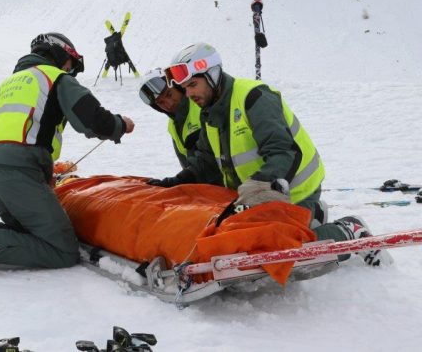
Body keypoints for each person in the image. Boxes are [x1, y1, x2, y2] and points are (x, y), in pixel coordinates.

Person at [148, 42, 390, 265]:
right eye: (185, 88)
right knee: (239, 242)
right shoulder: (209, 113)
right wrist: (173, 184)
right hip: (256, 197)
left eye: (193, 85)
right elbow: (205, 162)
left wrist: (261, 184)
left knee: (281, 251)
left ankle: (348, 231)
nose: (189, 95)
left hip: (294, 186)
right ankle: (311, 216)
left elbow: (283, 151)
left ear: (211, 76)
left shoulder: (253, 97)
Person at [0, 32, 135, 279]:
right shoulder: (55, 78)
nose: (71, 71)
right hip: (19, 174)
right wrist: (121, 125)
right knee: (63, 249)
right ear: (58, 54)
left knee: (26, 233)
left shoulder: (7, 86)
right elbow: (93, 119)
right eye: (70, 64)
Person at [138, 69, 201, 169]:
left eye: (169, 94)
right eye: (161, 103)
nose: (169, 104)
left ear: (178, 87)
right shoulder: (172, 127)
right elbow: (187, 167)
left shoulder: (202, 104)